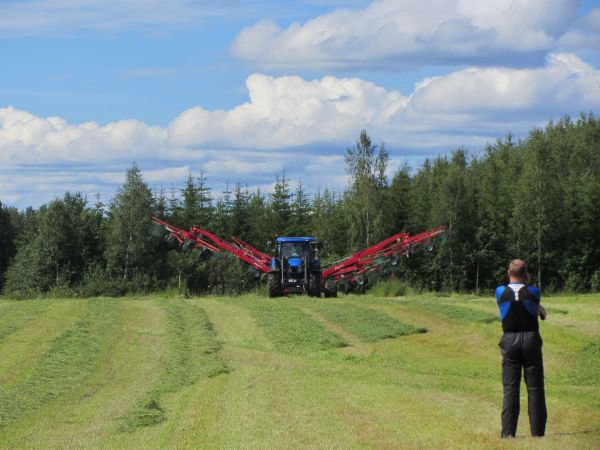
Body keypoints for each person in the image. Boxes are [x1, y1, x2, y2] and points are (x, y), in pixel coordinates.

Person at [495, 259, 548, 438]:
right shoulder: (534, 292)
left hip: (510, 340)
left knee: (510, 388)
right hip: (531, 340)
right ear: (526, 275)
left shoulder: (500, 291)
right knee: (535, 388)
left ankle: (508, 434)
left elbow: (514, 296)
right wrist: (527, 282)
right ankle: (538, 433)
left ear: (508, 273)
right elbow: (540, 311)